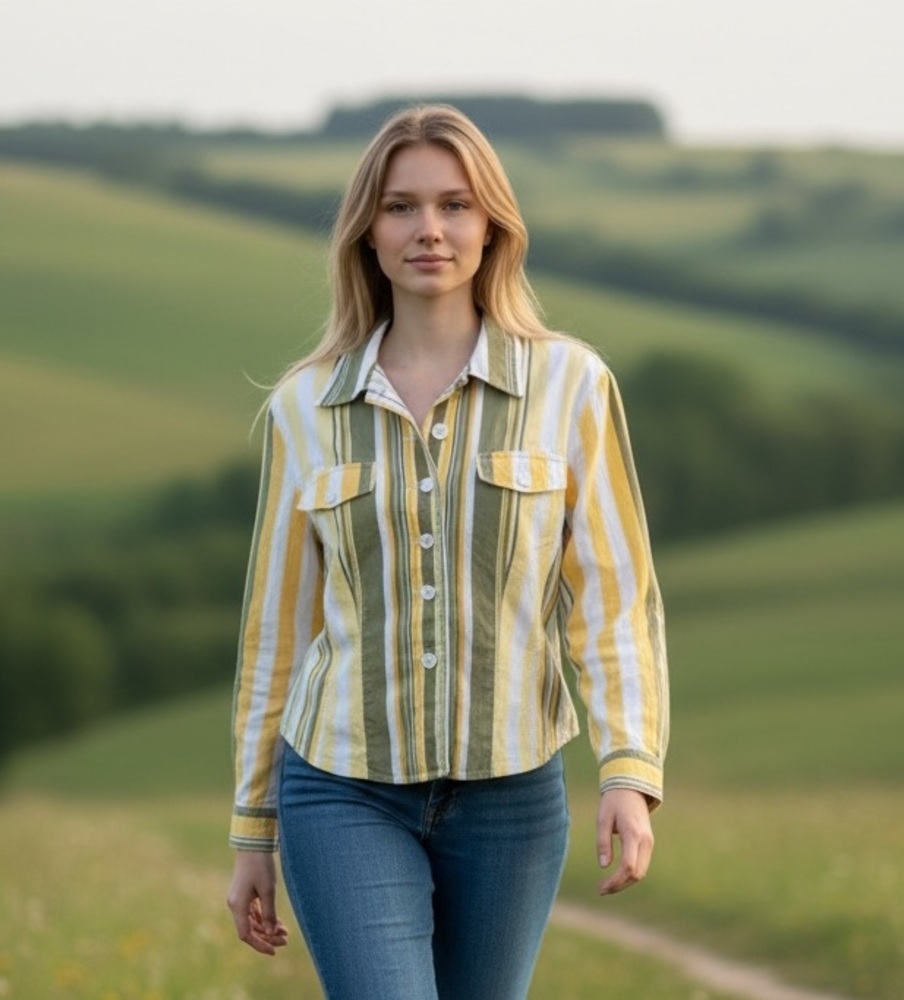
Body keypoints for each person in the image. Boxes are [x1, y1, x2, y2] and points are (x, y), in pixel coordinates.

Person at [226, 103, 669, 1000]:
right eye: (401, 207)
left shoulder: (573, 387)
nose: (429, 228)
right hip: (341, 785)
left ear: (492, 225)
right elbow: (276, 633)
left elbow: (615, 599)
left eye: (455, 204)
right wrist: (251, 828)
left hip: (513, 796)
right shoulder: (303, 409)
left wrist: (631, 769)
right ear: (368, 233)